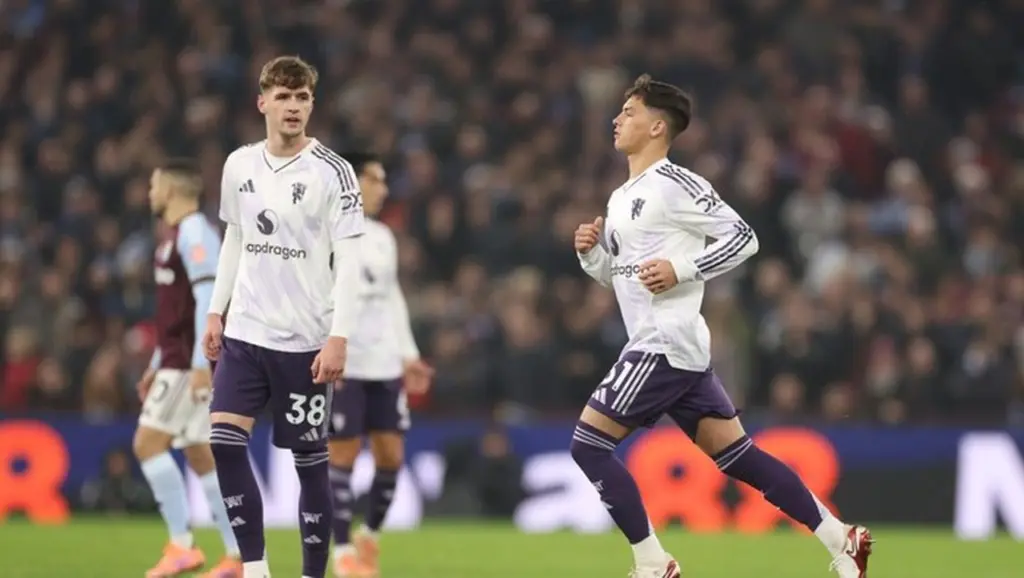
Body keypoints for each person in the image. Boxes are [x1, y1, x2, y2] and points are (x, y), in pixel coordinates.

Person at [571, 74, 873, 578]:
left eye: (629, 111)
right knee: (740, 458)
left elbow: (744, 238)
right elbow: (621, 278)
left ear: (658, 127)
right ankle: (843, 538)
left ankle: (653, 563)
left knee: (588, 444)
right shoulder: (621, 197)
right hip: (675, 350)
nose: (616, 119)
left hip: (662, 344)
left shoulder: (676, 184)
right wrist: (592, 256)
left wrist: (682, 269)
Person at [202, 55, 366, 578]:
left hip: (305, 341)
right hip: (245, 335)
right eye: (283, 96)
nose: (293, 106)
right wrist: (216, 310)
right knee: (224, 443)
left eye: (302, 97)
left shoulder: (334, 172)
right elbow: (235, 237)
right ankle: (255, 569)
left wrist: (339, 336)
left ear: (312, 105)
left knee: (309, 464)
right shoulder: (239, 165)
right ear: (262, 103)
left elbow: (351, 260)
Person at [323, 152, 434, 578]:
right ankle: (342, 552)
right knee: (343, 455)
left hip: (385, 364)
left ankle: (368, 536)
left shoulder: (384, 236)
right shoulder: (324, 231)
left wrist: (409, 355)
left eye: (383, 181)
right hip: (346, 364)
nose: (382, 189)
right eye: (374, 179)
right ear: (350, 181)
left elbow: (391, 297)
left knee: (391, 456)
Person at [135, 159, 242, 578]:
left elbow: (208, 301)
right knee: (200, 455)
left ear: (171, 189)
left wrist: (200, 363)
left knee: (147, 444)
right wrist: (155, 362)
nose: (150, 193)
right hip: (175, 360)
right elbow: (175, 313)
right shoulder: (178, 235)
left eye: (154, 185)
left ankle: (181, 545)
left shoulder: (196, 232)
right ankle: (236, 557)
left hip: (185, 365)